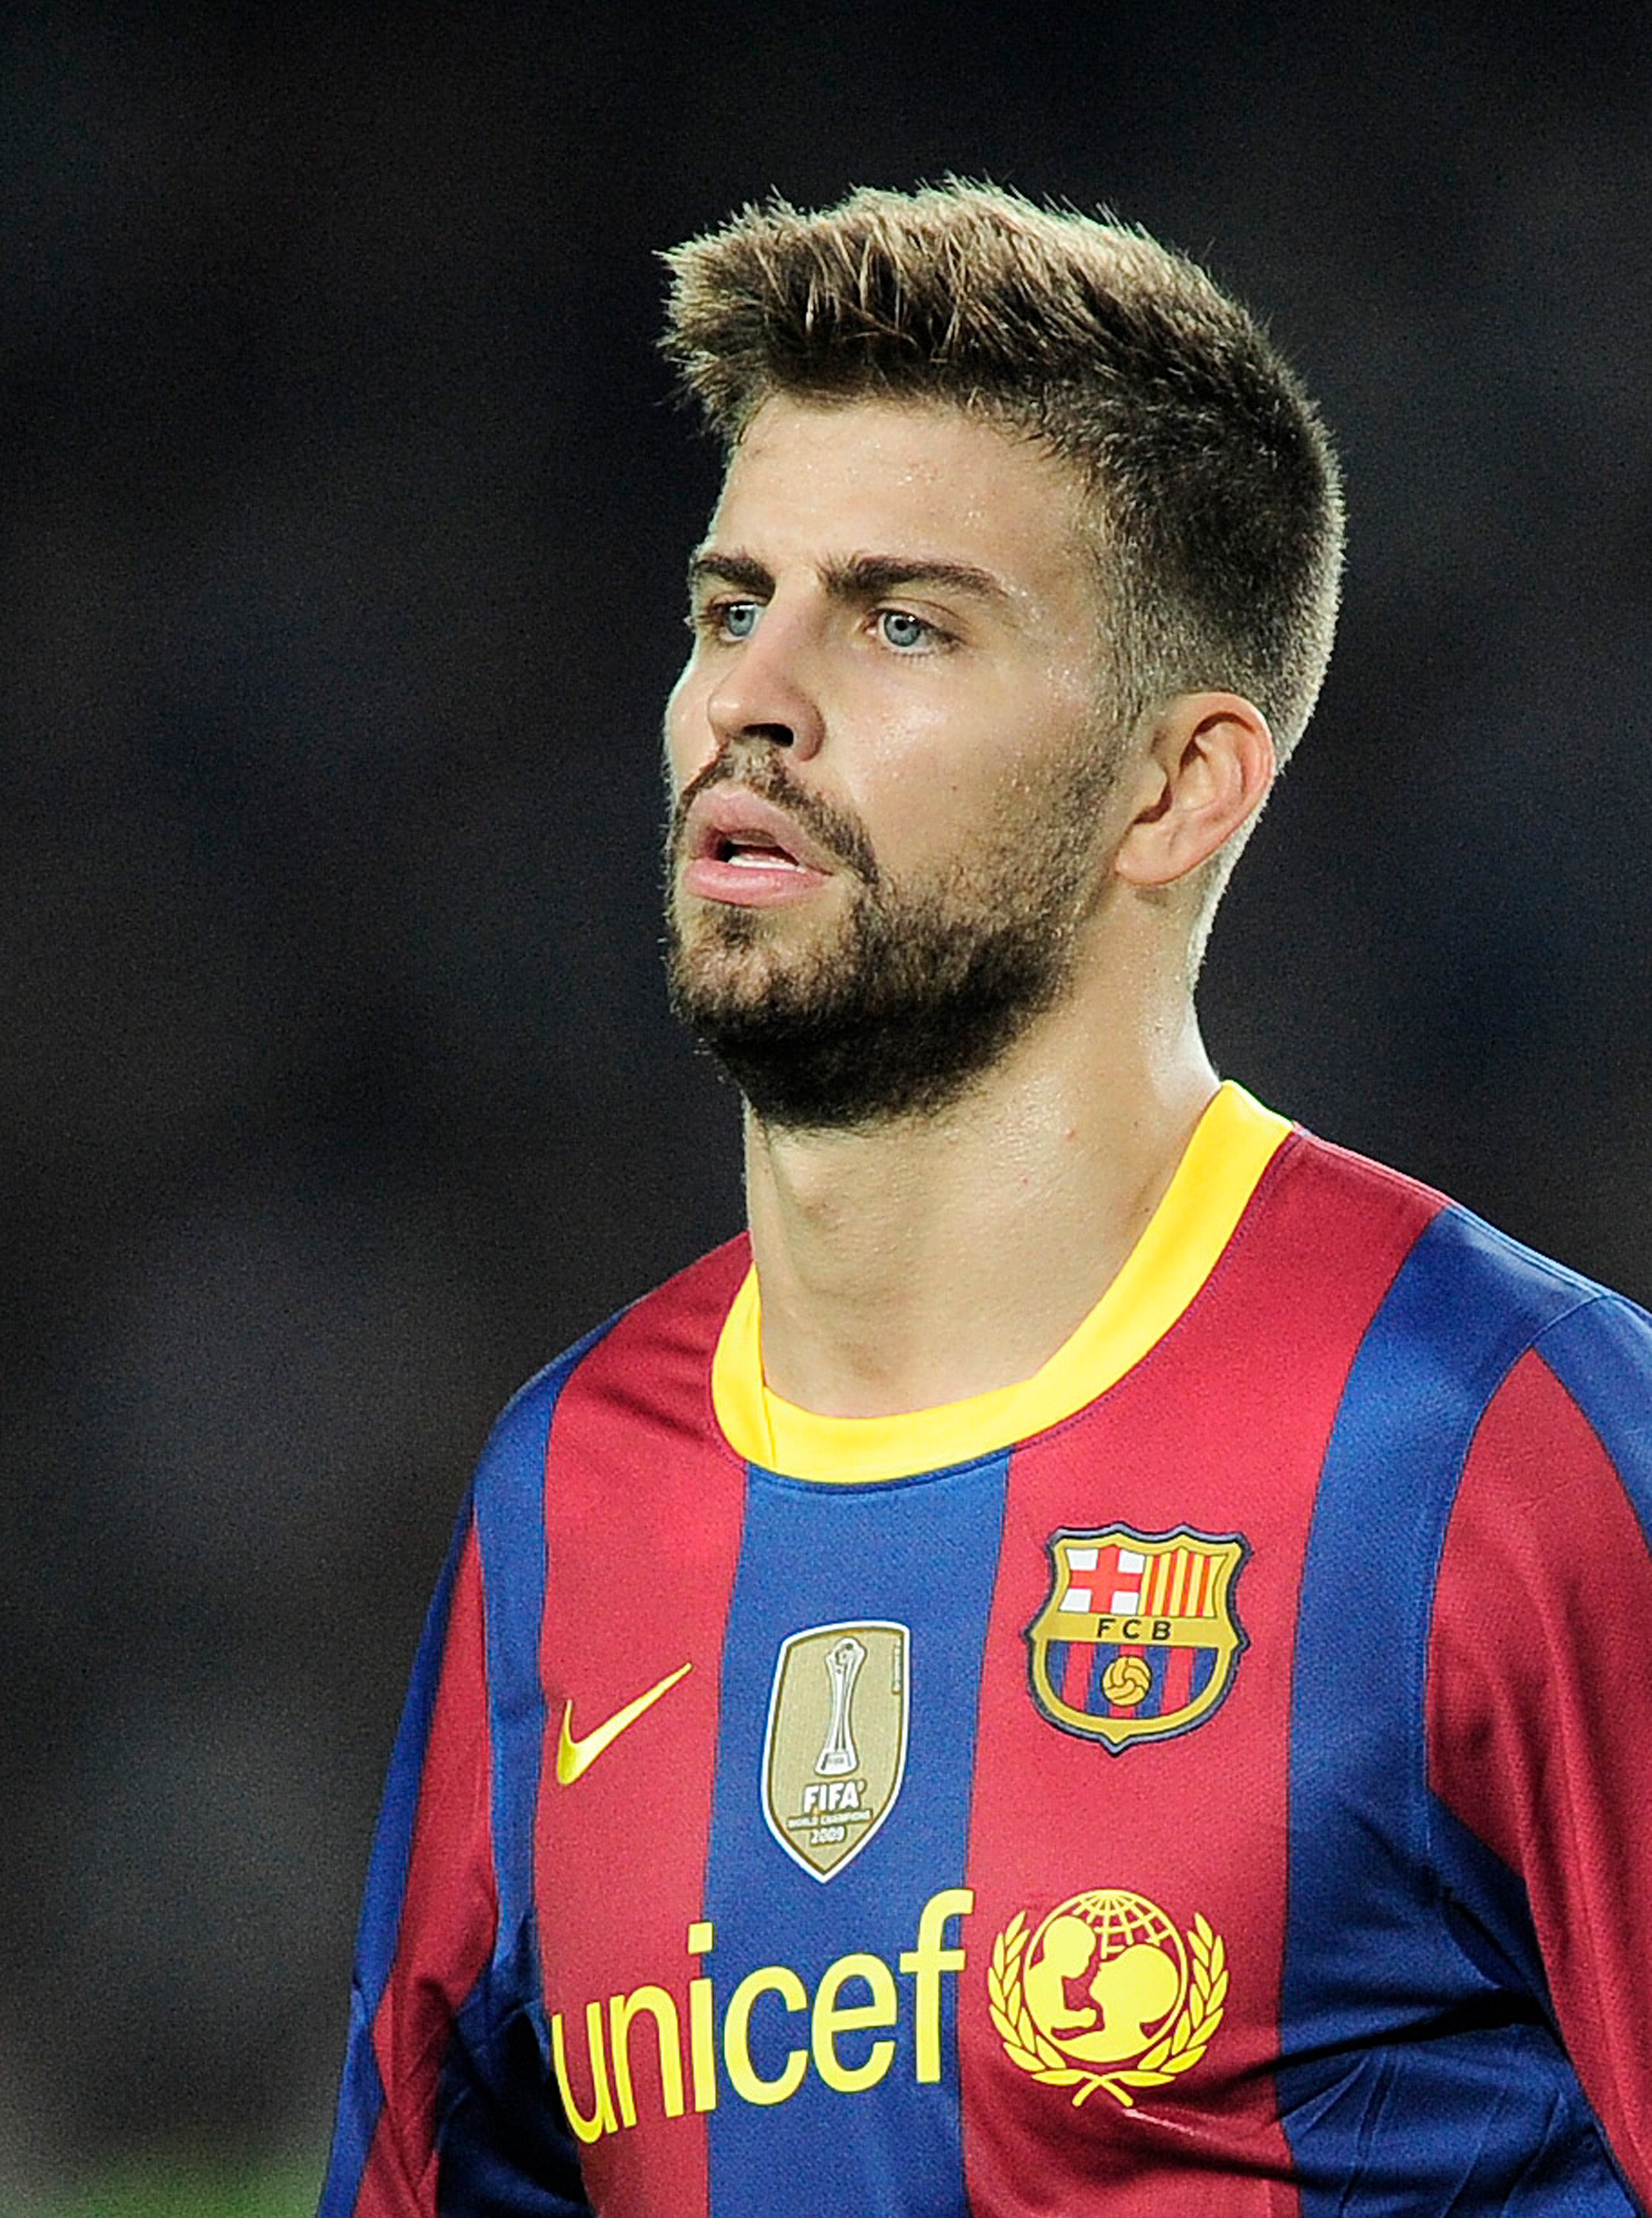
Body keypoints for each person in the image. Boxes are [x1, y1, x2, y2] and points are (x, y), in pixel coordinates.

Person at [317, 184, 1652, 2217]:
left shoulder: (1503, 1443)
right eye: (726, 605)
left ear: (1176, 786)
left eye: (901, 621)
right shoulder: (567, 1485)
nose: (750, 698)